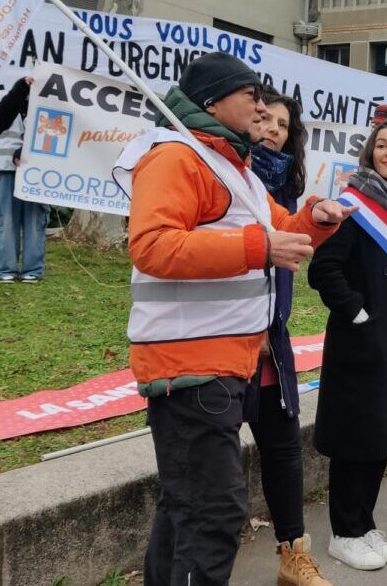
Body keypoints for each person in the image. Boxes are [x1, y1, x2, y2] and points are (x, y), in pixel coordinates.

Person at [112, 52, 352, 586]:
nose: (263, 108)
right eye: (252, 96)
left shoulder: (229, 163)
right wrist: (257, 246)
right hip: (190, 363)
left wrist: (313, 219)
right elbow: (151, 246)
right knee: (213, 514)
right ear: (212, 101)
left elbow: (277, 227)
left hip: (218, 363)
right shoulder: (176, 157)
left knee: (186, 509)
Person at [308, 119, 387, 571]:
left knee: (382, 437)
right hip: (362, 339)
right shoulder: (351, 206)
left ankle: (365, 521)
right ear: (370, 153)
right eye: (383, 145)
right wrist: (357, 312)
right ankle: (344, 531)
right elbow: (323, 271)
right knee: (355, 438)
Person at [245, 92, 333, 586]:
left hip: (270, 341)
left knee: (283, 448)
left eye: (283, 123)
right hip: (221, 346)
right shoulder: (226, 177)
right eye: (265, 120)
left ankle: (292, 558)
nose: (274, 129)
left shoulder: (286, 189)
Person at [0, 76, 51, 283]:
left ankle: (32, 270)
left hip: (36, 173)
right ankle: (6, 269)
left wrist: (24, 151)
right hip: (8, 171)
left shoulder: (49, 109)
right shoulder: (8, 105)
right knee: (6, 221)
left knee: (34, 221)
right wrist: (20, 88)